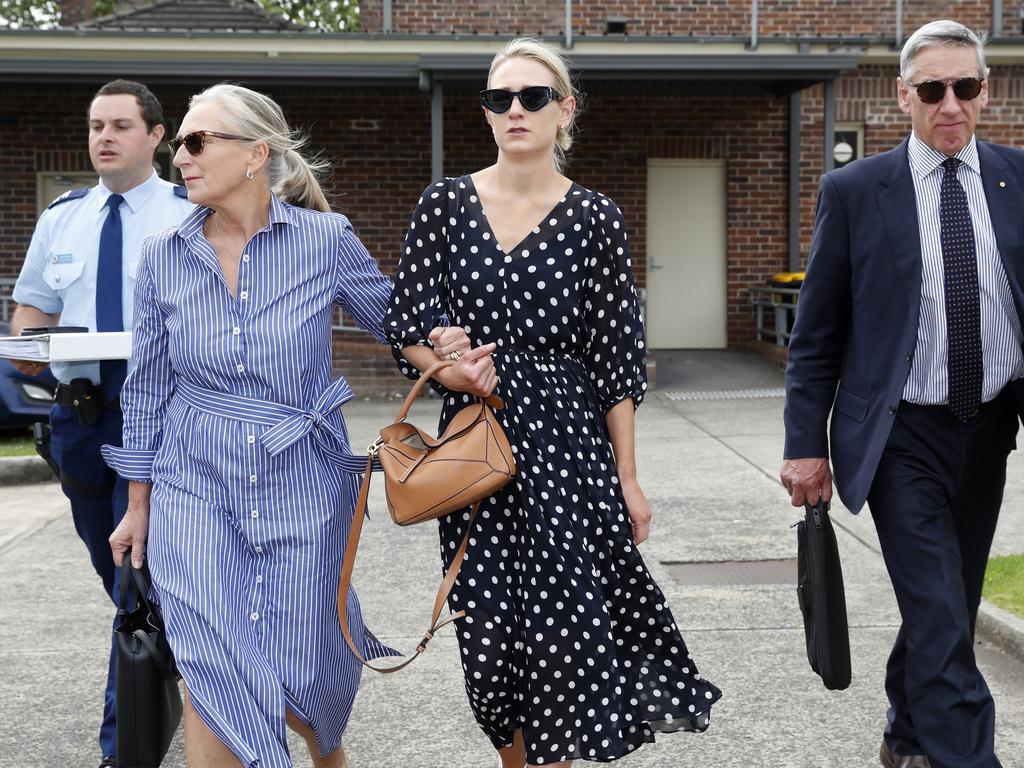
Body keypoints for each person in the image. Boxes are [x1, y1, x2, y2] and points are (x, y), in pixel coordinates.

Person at [102, 83, 465, 768]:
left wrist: (445, 350)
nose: (180, 154)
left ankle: (323, 747)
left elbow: (398, 325)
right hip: (194, 480)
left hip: (303, 473)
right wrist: (139, 505)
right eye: (178, 141)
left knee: (306, 656)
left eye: (197, 140)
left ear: (254, 155)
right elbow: (147, 389)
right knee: (213, 660)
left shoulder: (325, 240)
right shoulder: (162, 257)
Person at [386, 38, 721, 768]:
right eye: (498, 98)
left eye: (532, 96)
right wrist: (448, 372)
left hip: (570, 449)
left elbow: (617, 362)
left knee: (565, 643)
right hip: (479, 445)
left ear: (564, 110)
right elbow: (406, 326)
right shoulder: (444, 203)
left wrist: (628, 477)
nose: (514, 110)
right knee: (491, 646)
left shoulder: (595, 217)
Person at [781, 19, 1024, 768]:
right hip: (899, 436)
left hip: (988, 428)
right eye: (932, 89)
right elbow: (816, 335)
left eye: (966, 87)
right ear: (903, 97)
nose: (949, 104)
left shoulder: (1019, 179)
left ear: (986, 92)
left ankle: (905, 735)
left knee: (944, 601)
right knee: (944, 616)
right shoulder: (856, 191)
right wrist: (804, 446)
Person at [10, 79, 193, 768]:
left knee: (132, 576)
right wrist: (32, 352)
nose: (104, 137)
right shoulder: (62, 217)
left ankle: (126, 750)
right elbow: (30, 314)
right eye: (95, 126)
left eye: (120, 125)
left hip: (163, 417)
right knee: (116, 571)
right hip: (82, 419)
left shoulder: (185, 213)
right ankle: (168, 658)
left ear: (155, 136)